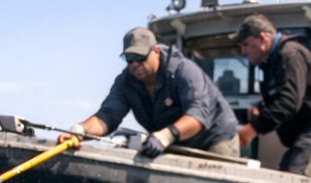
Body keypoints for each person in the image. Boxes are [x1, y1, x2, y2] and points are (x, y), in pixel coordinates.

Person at [59, 27, 240, 159]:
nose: (135, 64)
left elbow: (198, 115)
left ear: (156, 51)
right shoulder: (125, 81)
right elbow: (106, 117)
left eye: (140, 57)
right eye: (129, 59)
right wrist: (79, 131)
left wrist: (166, 136)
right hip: (172, 142)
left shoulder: (184, 70)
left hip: (214, 139)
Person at [233, 13, 311, 179]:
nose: (243, 51)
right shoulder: (273, 62)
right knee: (285, 178)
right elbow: (283, 96)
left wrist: (252, 129)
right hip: (308, 135)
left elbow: (289, 102)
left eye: (245, 44)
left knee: (294, 180)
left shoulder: (290, 54)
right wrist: (260, 109)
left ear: (263, 39)